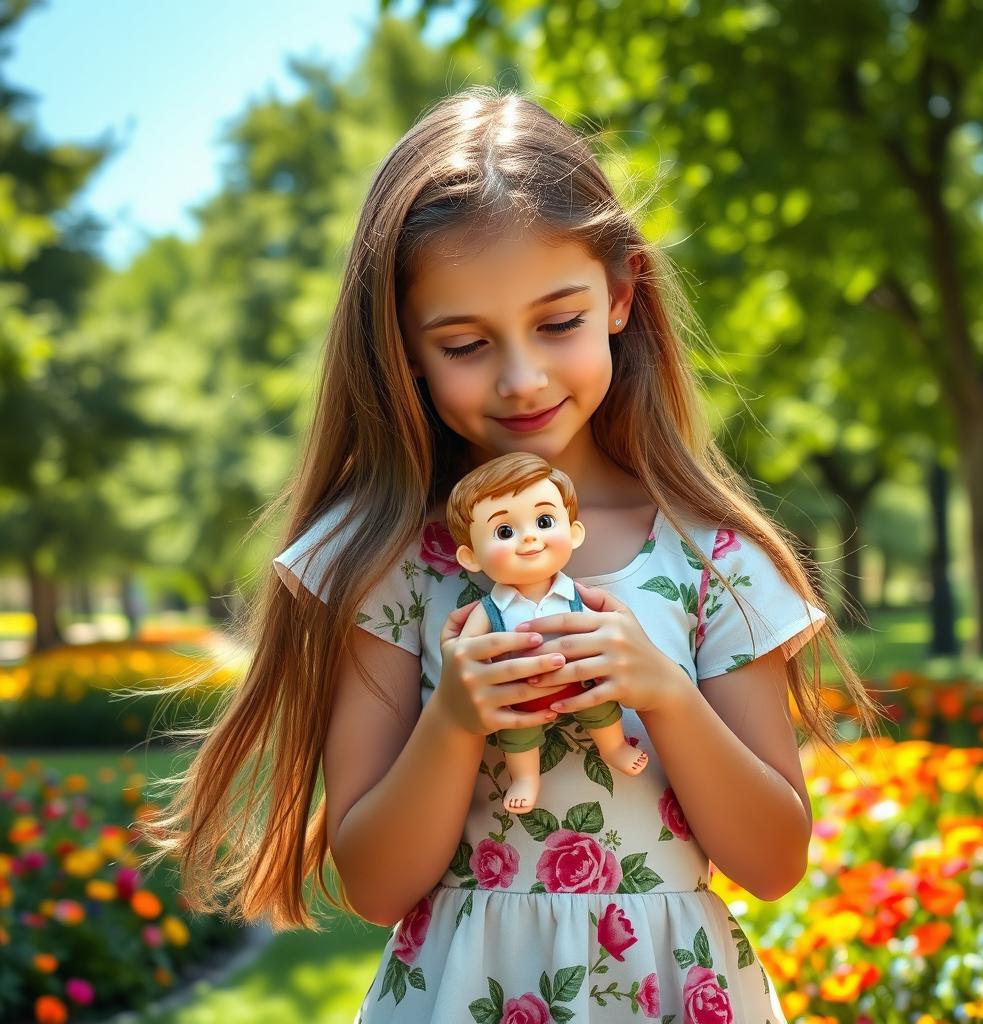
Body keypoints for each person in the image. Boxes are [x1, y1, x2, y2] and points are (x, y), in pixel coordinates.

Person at [138, 85, 885, 1023]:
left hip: (670, 988)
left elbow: (775, 862)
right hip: (461, 993)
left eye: (559, 323)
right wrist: (454, 718)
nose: (521, 377)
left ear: (622, 295)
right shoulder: (386, 564)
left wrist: (662, 690)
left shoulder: (714, 557)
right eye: (463, 343)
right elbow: (374, 885)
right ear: (401, 348)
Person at [447, 452, 650, 816]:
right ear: (471, 556)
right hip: (519, 696)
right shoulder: (490, 610)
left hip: (582, 683)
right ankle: (526, 778)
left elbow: (605, 630)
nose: (529, 540)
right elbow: (466, 651)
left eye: (543, 521)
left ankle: (614, 747)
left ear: (573, 533)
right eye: (505, 531)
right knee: (516, 736)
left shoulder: (576, 596)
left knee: (603, 709)